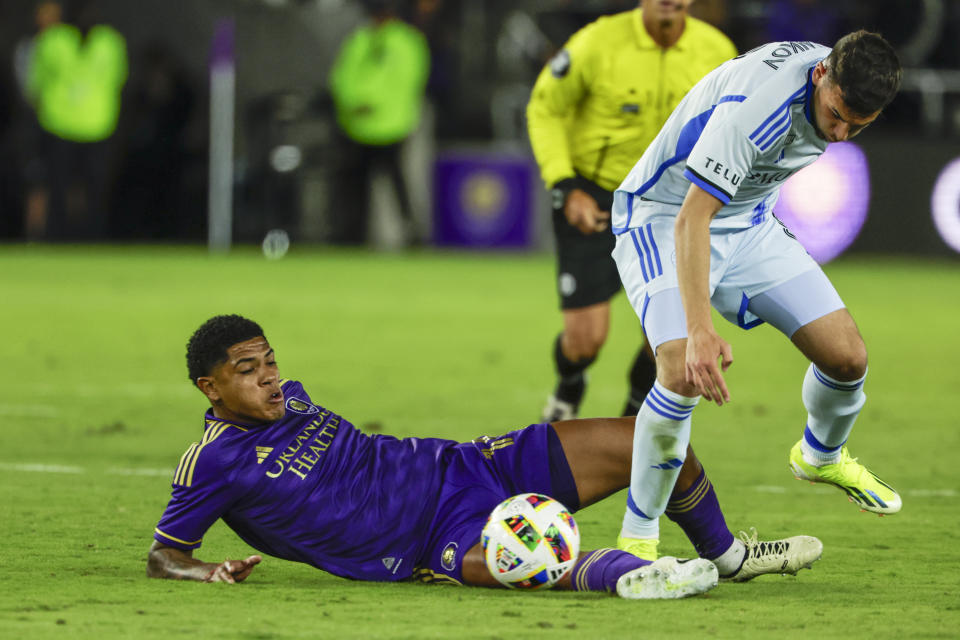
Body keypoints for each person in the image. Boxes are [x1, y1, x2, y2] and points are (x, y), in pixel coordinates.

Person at [146, 315, 822, 598]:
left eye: (269, 362)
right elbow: (163, 555)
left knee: (650, 439)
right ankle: (645, 578)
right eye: (246, 370)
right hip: (426, 540)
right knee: (531, 559)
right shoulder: (211, 462)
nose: (268, 377)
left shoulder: (292, 398)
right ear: (209, 387)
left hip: (467, 467)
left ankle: (728, 556)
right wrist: (204, 572)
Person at [608, 31, 903, 554]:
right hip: (662, 216)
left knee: (847, 357)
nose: (838, 133)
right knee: (679, 370)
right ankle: (637, 543)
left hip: (747, 223)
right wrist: (700, 329)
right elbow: (692, 217)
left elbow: (729, 203)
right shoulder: (759, 110)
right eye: (835, 114)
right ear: (820, 76)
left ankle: (820, 456)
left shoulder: (841, 85)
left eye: (857, 126)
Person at [526, 0, 737, 425]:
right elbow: (544, 107)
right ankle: (571, 382)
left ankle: (629, 424)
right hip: (595, 198)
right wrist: (565, 186)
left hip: (670, 206)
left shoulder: (717, 51)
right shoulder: (597, 42)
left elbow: (737, 126)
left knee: (664, 337)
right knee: (584, 341)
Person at [327, 0, 429, 246]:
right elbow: (342, 76)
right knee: (355, 187)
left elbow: (407, 81)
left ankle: (412, 235)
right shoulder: (359, 39)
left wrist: (372, 103)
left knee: (398, 184)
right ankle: (353, 238)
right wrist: (353, 103)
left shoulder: (406, 42)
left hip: (392, 125)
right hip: (356, 126)